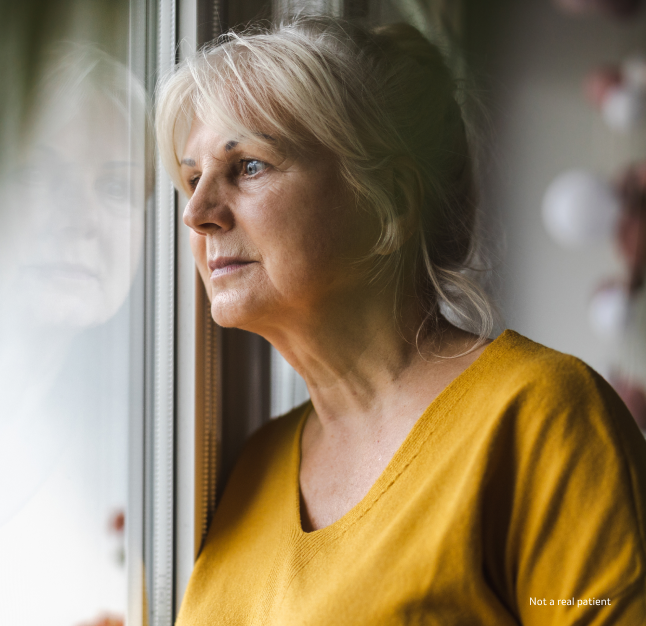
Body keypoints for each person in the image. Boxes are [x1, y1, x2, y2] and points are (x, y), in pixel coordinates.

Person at [156, 16, 646, 625]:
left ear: (388, 198)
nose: (197, 214)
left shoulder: (540, 415)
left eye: (249, 166)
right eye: (192, 178)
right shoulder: (252, 466)